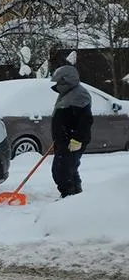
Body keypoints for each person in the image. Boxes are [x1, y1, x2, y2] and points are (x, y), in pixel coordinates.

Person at [50, 64, 93, 198]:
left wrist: (77, 139)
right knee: (69, 169)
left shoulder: (79, 95)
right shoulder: (67, 93)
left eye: (59, 82)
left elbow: (86, 120)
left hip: (72, 140)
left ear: (67, 80)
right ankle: (75, 197)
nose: (57, 85)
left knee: (61, 170)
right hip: (64, 139)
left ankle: (69, 196)